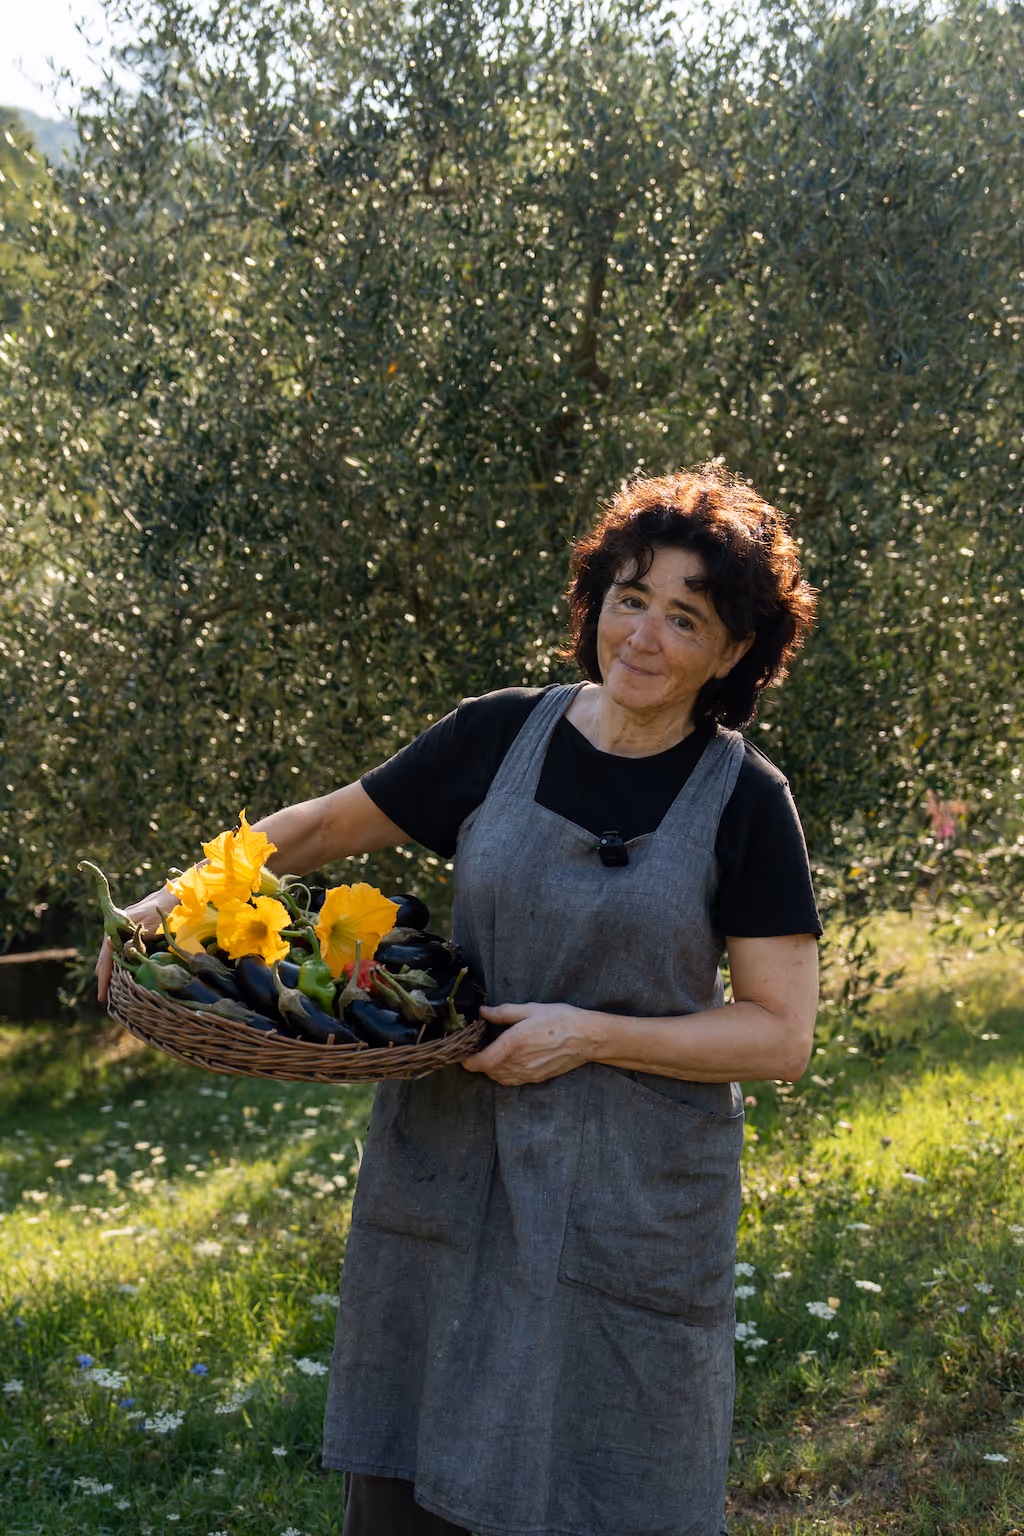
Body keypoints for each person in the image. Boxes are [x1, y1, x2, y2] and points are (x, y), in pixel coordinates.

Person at [97, 464, 821, 1536]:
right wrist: (163, 905)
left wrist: (587, 1036)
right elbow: (317, 830)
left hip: (630, 1197)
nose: (645, 636)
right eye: (631, 597)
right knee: (418, 1464)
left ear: (732, 654)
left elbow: (778, 1033)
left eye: (686, 617)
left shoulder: (746, 801)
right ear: (596, 603)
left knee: (612, 1473)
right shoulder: (499, 738)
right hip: (454, 1161)